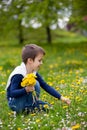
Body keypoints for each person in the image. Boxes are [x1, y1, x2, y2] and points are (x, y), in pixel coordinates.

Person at [6, 44, 70, 114]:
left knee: (48, 107)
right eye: (39, 60)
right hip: (15, 103)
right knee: (35, 83)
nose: (41, 63)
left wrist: (61, 97)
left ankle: (30, 107)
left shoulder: (33, 72)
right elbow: (12, 93)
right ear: (30, 60)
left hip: (26, 100)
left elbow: (45, 86)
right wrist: (26, 90)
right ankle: (25, 109)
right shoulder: (18, 74)